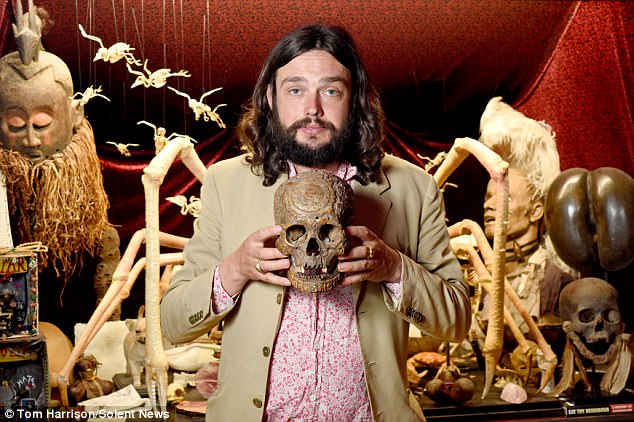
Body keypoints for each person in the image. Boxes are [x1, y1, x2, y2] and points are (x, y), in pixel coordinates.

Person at [160, 24, 471, 421]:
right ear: (270, 98)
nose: (312, 109)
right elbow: (172, 323)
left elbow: (457, 321)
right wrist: (234, 270)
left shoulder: (414, 188)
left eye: (330, 90)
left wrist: (394, 268)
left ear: (355, 98)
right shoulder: (225, 184)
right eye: (295, 89)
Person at [0, 7, 120, 337]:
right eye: (14, 124)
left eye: (41, 124)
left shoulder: (84, 213)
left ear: (74, 115)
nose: (29, 138)